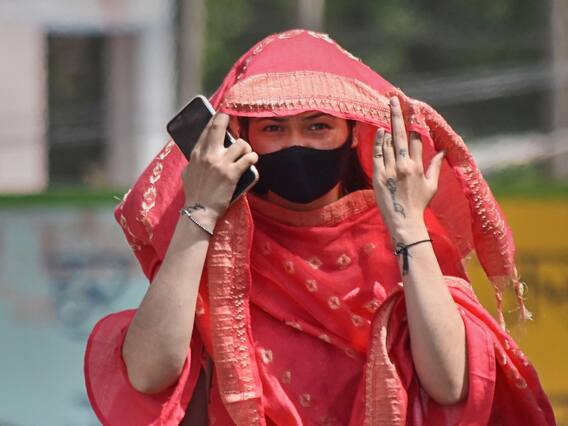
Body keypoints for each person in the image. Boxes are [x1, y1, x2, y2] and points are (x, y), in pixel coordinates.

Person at [84, 29, 555, 425]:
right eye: (273, 129)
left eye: (317, 127)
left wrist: (408, 225)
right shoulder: (220, 244)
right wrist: (201, 211)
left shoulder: (398, 232)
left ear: (352, 134)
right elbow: (149, 373)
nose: (296, 145)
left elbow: (450, 384)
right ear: (243, 137)